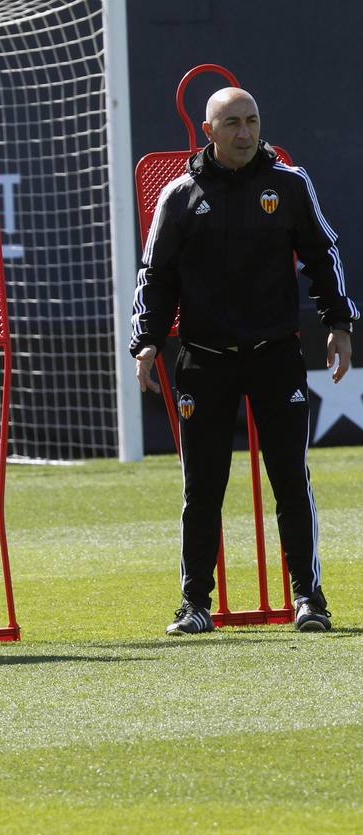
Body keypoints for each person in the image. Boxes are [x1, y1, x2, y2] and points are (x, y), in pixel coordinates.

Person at [131, 86, 357, 636]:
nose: (244, 132)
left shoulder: (289, 183)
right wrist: (146, 341)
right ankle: (194, 605)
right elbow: (156, 276)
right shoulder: (179, 195)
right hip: (204, 360)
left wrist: (339, 324)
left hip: (275, 355)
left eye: (252, 120)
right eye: (231, 122)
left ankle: (309, 599)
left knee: (289, 480)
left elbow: (322, 255)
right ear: (208, 130)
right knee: (202, 488)